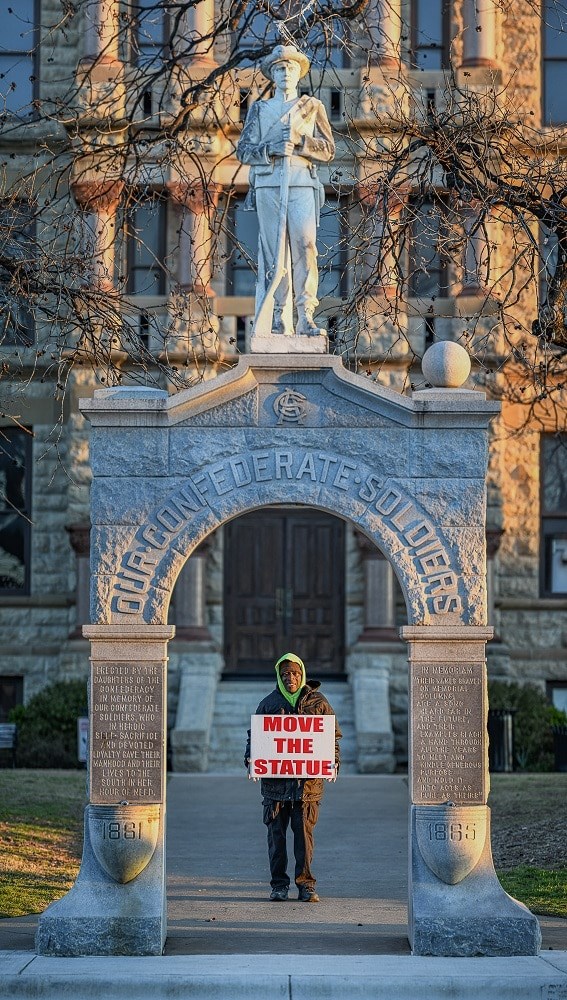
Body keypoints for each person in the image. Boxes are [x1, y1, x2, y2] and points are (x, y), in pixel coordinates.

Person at [236, 44, 335, 338]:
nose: (285, 73)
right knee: (274, 254)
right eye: (279, 68)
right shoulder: (260, 109)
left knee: (305, 247)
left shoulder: (312, 106)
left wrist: (301, 142)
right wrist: (271, 149)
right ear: (272, 74)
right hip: (269, 183)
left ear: (298, 73)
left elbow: (328, 149)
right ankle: (280, 317)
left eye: (290, 68)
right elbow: (244, 150)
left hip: (301, 182)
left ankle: (305, 314)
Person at [244, 652, 342, 902]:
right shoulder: (268, 704)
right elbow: (255, 737)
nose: (290, 678)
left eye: (295, 673)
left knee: (304, 839)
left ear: (302, 674)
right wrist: (251, 760)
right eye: (285, 673)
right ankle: (279, 885)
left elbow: (332, 737)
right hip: (275, 787)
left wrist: (333, 763)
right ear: (279, 675)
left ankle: (306, 885)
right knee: (276, 840)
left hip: (307, 786)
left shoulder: (319, 703)